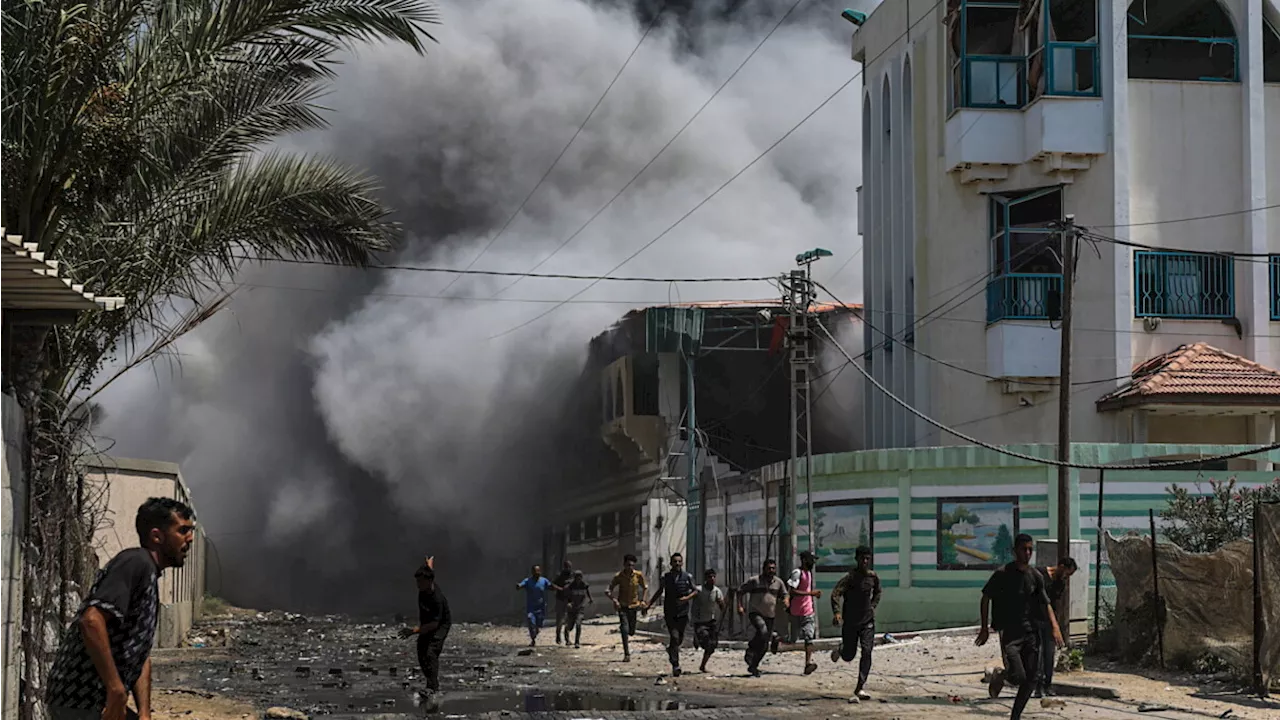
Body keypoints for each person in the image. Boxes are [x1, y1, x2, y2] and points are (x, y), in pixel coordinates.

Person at [46, 497, 195, 720]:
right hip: (81, 701)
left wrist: (145, 712)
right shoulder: (136, 562)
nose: (190, 538)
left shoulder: (149, 575)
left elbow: (139, 653)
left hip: (99, 701)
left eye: (191, 530)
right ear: (157, 536)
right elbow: (92, 620)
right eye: (183, 530)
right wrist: (115, 689)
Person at [976, 534, 1064, 720]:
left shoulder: (1035, 576)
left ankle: (1015, 716)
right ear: (1015, 551)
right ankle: (1001, 675)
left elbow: (1046, 603)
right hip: (1010, 633)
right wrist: (984, 628)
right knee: (1018, 677)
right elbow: (985, 598)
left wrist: (1055, 627)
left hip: (1031, 632)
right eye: (1023, 549)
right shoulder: (1002, 574)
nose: (1027, 553)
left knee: (1032, 678)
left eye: (1030, 549)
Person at [830, 546, 881, 703]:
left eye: (867, 558)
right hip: (851, 621)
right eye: (862, 559)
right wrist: (837, 613)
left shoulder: (873, 577)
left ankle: (860, 686)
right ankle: (841, 649)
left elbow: (878, 592)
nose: (865, 562)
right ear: (857, 559)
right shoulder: (850, 578)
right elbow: (835, 594)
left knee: (867, 651)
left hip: (867, 622)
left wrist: (873, 606)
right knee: (848, 655)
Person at [398, 557, 451, 695]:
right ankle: (430, 682)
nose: (418, 584)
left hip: (440, 625)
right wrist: (429, 565)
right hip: (428, 622)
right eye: (417, 581)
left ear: (429, 581)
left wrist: (413, 631)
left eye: (421, 581)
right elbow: (430, 573)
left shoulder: (436, 599)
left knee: (431, 652)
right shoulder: (425, 588)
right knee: (421, 648)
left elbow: (434, 624)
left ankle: (433, 687)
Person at [646, 552, 697, 677]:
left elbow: (695, 590)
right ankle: (676, 665)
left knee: (679, 639)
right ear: (671, 563)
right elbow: (659, 591)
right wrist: (649, 604)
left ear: (682, 562)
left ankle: (671, 650)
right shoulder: (666, 577)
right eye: (675, 561)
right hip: (670, 612)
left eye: (679, 561)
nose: (677, 564)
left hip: (683, 612)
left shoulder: (687, 576)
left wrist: (687, 598)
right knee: (674, 637)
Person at [736, 558, 789, 677]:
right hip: (756, 613)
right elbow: (740, 591)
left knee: (765, 645)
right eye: (769, 568)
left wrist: (786, 601)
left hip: (770, 615)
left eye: (773, 568)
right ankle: (751, 647)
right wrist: (739, 606)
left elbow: (785, 594)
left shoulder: (778, 582)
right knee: (762, 630)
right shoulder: (754, 581)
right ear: (764, 569)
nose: (771, 570)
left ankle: (753, 665)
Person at [1034, 556, 1077, 698]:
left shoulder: (1060, 583)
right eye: (1067, 573)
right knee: (1038, 654)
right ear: (1061, 566)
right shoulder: (1039, 574)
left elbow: (1055, 605)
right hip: (1035, 619)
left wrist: (1057, 625)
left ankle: (1048, 684)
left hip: (1050, 622)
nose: (1067, 577)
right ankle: (1038, 686)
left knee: (1049, 654)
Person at [785, 550, 823, 675]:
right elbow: (792, 591)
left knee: (808, 638)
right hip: (796, 611)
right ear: (805, 560)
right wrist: (811, 593)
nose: (813, 562)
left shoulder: (809, 573)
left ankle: (807, 664)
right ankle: (777, 639)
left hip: (808, 611)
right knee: (792, 640)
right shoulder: (797, 573)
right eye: (812, 560)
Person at [606, 554, 648, 662]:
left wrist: (643, 601)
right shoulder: (619, 576)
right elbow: (608, 590)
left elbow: (645, 588)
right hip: (623, 606)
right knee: (624, 629)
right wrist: (614, 600)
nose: (630, 568)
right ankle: (627, 654)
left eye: (632, 565)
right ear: (624, 565)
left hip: (634, 606)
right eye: (628, 565)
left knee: (631, 631)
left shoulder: (638, 575)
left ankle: (629, 631)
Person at [689, 568, 726, 674]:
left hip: (711, 621)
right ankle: (697, 638)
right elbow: (691, 596)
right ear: (706, 578)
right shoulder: (699, 590)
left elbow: (722, 606)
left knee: (712, 645)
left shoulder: (717, 591)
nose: (712, 579)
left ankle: (702, 666)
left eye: (714, 577)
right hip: (700, 621)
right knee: (705, 638)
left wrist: (723, 603)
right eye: (710, 577)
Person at [516, 565, 553, 647]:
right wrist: (519, 586)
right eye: (535, 571)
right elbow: (521, 584)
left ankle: (536, 631)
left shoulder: (544, 580)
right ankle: (533, 639)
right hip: (531, 607)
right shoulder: (528, 581)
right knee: (530, 620)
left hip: (541, 607)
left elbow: (551, 586)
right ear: (532, 572)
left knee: (538, 624)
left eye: (538, 571)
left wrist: (560, 589)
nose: (537, 573)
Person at [563, 570, 593, 648]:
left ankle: (577, 642)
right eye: (577, 577)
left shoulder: (584, 585)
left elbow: (587, 592)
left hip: (580, 608)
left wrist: (590, 599)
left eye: (580, 577)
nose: (578, 579)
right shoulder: (570, 586)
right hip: (572, 609)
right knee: (570, 626)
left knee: (578, 624)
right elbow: (566, 596)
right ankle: (567, 640)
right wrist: (568, 603)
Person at [551, 560, 574, 646]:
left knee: (568, 620)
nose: (568, 568)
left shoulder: (572, 576)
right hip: (560, 599)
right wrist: (560, 589)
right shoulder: (560, 576)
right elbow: (552, 584)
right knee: (560, 620)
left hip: (569, 601)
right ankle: (558, 636)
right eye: (566, 566)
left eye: (569, 566)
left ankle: (567, 639)